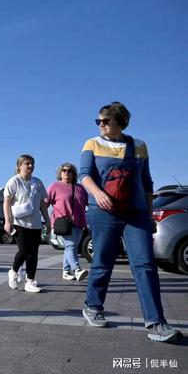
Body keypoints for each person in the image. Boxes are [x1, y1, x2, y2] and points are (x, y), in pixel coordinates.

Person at [79, 101, 183, 343]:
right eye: (99, 121)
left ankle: (156, 322)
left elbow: (147, 183)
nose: (101, 125)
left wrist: (148, 214)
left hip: (135, 213)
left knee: (145, 264)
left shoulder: (138, 146)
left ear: (120, 122)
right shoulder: (92, 144)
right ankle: (93, 306)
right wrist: (99, 193)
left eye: (106, 121)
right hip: (103, 211)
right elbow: (84, 175)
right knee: (103, 261)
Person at [4, 154, 51, 293]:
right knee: (24, 251)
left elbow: (42, 204)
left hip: (35, 224)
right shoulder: (14, 182)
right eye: (27, 163)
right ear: (19, 166)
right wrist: (7, 221)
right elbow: (6, 202)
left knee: (33, 254)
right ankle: (13, 271)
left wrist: (47, 221)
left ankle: (30, 282)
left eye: (32, 163)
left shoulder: (37, 182)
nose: (30, 166)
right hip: (19, 223)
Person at [47, 163, 89, 282]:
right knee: (70, 245)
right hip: (63, 222)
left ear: (73, 174)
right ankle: (77, 270)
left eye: (69, 171)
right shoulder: (55, 186)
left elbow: (88, 202)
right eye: (64, 170)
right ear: (60, 173)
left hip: (80, 221)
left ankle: (66, 271)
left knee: (72, 247)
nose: (66, 172)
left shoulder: (80, 188)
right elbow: (45, 202)